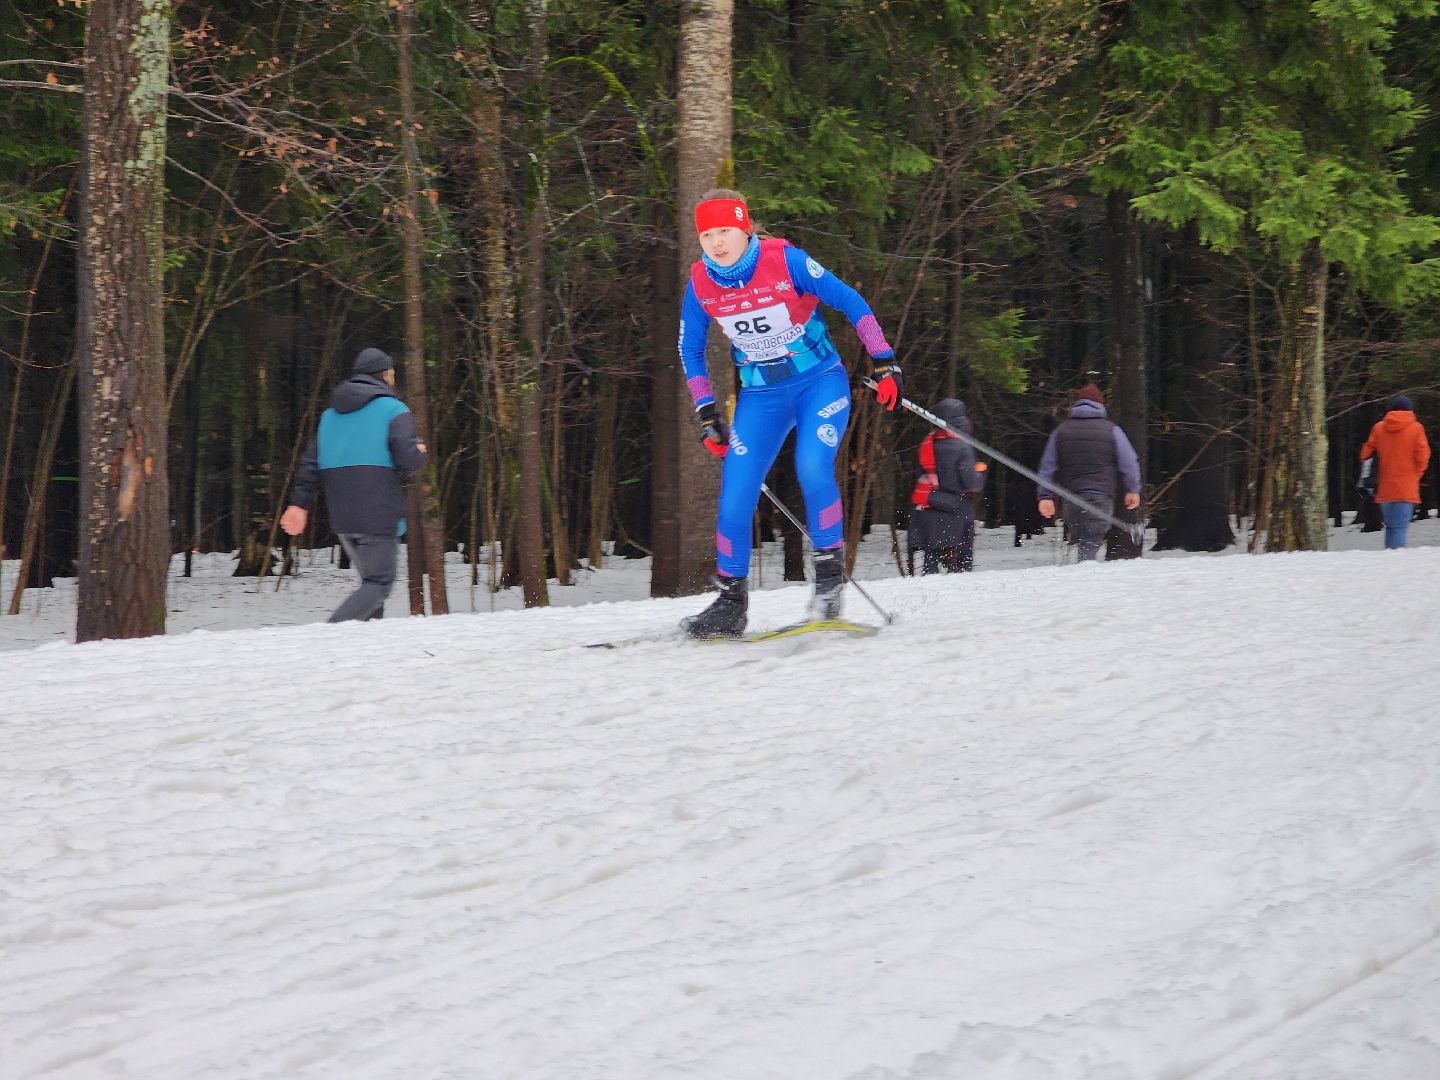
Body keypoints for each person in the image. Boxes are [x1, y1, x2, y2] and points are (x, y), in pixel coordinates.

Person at [677, 188, 901, 637]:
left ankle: (829, 583)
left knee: (812, 465)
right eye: (706, 235)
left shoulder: (785, 260)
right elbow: (690, 349)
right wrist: (706, 412)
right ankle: (730, 602)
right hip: (761, 397)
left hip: (819, 384)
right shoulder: (701, 282)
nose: (716, 243)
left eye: (725, 231)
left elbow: (850, 301)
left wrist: (884, 361)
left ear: (744, 228)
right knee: (735, 492)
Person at [280, 348, 427, 622]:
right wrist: (418, 451)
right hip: (378, 512)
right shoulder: (394, 409)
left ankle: (366, 644)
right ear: (385, 375)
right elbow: (408, 461)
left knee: (370, 589)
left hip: (343, 518)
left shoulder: (329, 416)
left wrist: (298, 504)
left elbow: (310, 463)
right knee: (378, 584)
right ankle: (330, 634)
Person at [1035, 383, 1141, 562]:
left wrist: (1045, 496)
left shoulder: (1061, 431)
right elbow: (1129, 463)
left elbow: (1048, 466)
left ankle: (1083, 568)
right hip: (1101, 497)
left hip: (1071, 499)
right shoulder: (1112, 430)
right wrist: (1133, 489)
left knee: (1084, 539)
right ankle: (1084, 571)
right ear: (1100, 405)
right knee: (1091, 541)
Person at [908, 398, 986, 574]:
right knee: (963, 560)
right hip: (958, 512)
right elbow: (971, 483)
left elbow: (919, 476)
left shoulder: (927, 444)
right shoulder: (963, 447)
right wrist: (980, 472)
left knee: (931, 560)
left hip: (931, 509)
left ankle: (928, 587)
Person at [1360, 394, 1430, 549]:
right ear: (1410, 410)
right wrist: (1416, 475)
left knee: (1391, 526)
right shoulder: (1416, 428)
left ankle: (1389, 557)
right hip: (1406, 487)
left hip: (1384, 486)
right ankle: (1396, 559)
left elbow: (1366, 455)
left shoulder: (1378, 428)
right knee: (1399, 527)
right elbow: (1423, 457)